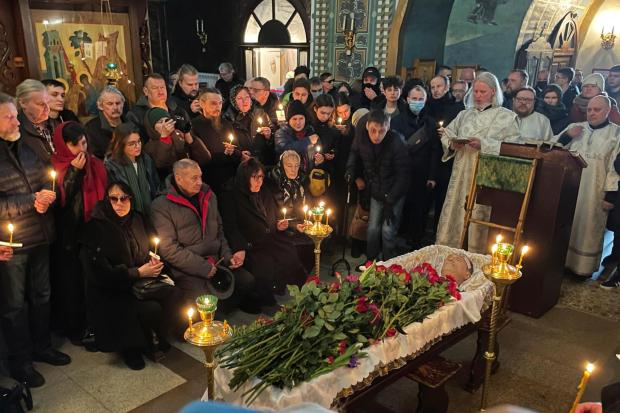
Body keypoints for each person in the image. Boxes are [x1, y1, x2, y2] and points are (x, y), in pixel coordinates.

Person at [0, 92, 70, 388]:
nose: (17, 120)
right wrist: (32, 200)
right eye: (9, 116)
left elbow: (45, 177)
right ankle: (21, 362)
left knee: (42, 296)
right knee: (15, 306)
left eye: (16, 114)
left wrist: (47, 195)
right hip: (11, 244)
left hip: (40, 233)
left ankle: (43, 347)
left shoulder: (25, 148)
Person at [79, 182, 170, 370]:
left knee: (172, 293)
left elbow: (151, 248)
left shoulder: (138, 219)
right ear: (106, 200)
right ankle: (131, 347)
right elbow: (100, 274)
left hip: (139, 281)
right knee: (136, 306)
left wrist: (152, 260)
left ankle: (155, 337)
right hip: (110, 288)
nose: (119, 203)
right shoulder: (95, 228)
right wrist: (136, 272)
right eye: (114, 198)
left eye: (124, 198)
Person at [151, 159, 255, 312]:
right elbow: (169, 249)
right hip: (189, 268)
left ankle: (224, 308)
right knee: (204, 303)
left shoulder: (208, 195)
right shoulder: (161, 206)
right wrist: (204, 268)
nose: (200, 182)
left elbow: (219, 231)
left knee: (247, 281)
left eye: (200, 176)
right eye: (194, 178)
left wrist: (228, 256)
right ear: (178, 178)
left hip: (216, 260)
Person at [436, 72, 520, 252]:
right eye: (475, 91)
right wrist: (452, 144)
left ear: (493, 92)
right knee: (456, 212)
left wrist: (485, 144)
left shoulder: (507, 117)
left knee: (479, 216)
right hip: (461, 173)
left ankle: (476, 255)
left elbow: (515, 147)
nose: (478, 95)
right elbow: (448, 135)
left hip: (486, 177)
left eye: (483, 91)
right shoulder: (464, 115)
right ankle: (449, 253)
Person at [220, 159, 307, 309]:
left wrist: (279, 224)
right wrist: (239, 248)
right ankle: (265, 300)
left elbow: (274, 214)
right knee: (264, 267)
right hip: (251, 244)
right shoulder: (231, 196)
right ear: (244, 177)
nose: (259, 181)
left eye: (261, 177)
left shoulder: (264, 190)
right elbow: (230, 227)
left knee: (290, 254)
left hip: (271, 237)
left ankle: (295, 290)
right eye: (254, 177)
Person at [50, 121, 107, 342]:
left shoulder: (95, 164)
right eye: (75, 146)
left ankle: (95, 323)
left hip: (93, 230)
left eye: (84, 143)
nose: (82, 150)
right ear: (64, 147)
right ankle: (77, 328)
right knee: (73, 284)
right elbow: (61, 201)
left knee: (92, 280)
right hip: (70, 236)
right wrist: (75, 171)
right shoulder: (57, 166)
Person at [555, 95, 620, 278]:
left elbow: (615, 168)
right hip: (569, 189)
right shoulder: (574, 128)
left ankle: (582, 269)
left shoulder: (616, 134)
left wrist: (610, 195)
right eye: (589, 109)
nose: (592, 113)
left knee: (589, 228)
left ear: (607, 111)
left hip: (595, 191)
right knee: (568, 224)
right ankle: (561, 263)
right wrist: (567, 136)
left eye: (597, 110)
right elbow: (551, 148)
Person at [346, 109, 410, 266]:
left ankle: (388, 263)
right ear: (367, 126)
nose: (376, 136)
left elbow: (404, 175)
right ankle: (371, 259)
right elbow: (354, 155)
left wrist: (391, 198)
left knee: (388, 231)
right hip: (376, 189)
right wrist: (350, 172)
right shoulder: (361, 139)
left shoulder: (397, 142)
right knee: (372, 228)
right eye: (373, 130)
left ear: (388, 127)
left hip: (395, 192)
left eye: (381, 131)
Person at [391, 85, 441, 248]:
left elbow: (435, 151)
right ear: (407, 100)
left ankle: (415, 243)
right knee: (400, 209)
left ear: (425, 101)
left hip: (422, 174)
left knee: (419, 211)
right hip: (402, 172)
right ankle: (397, 243)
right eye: (414, 99)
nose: (417, 102)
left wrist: (432, 176)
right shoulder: (397, 121)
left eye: (421, 99)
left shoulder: (430, 123)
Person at [191, 88, 241, 195]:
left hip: (231, 182)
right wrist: (224, 155)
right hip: (208, 183)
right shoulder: (194, 126)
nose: (218, 107)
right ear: (202, 103)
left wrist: (232, 152)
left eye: (220, 103)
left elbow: (237, 151)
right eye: (213, 103)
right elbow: (199, 158)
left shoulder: (226, 124)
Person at [142, 106, 212, 181]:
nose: (165, 124)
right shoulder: (150, 146)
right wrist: (165, 137)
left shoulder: (179, 136)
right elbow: (162, 164)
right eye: (160, 122)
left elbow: (205, 159)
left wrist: (190, 139)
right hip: (172, 186)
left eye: (167, 120)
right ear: (152, 127)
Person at [105, 123, 160, 215]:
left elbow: (156, 185)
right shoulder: (111, 166)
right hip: (128, 216)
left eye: (139, 141)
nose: (137, 146)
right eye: (132, 144)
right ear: (120, 145)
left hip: (152, 211)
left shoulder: (145, 159)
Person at [127, 73, 191, 141]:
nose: (160, 92)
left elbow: (190, 135)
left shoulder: (178, 110)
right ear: (146, 91)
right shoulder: (135, 115)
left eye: (162, 87)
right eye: (155, 88)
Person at [224, 85, 274, 166]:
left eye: (247, 97)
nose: (244, 101)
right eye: (240, 98)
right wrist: (239, 154)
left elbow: (271, 143)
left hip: (261, 162)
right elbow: (228, 144)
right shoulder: (228, 119)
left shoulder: (260, 114)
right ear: (233, 101)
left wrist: (269, 136)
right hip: (241, 165)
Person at [275, 99, 320, 173]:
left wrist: (318, 161)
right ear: (289, 120)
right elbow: (286, 150)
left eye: (301, 118)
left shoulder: (310, 131)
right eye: (294, 119)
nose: (298, 122)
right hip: (289, 175)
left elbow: (313, 154)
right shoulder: (281, 133)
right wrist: (308, 141)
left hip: (307, 176)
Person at [16, 79, 55, 162]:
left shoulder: (54, 124)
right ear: (23, 102)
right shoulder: (15, 132)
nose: (47, 108)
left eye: (48, 102)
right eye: (41, 104)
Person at [85, 86, 126, 159]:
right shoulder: (91, 129)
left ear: (123, 104)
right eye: (110, 104)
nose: (115, 107)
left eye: (118, 103)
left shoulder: (130, 123)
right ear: (100, 106)